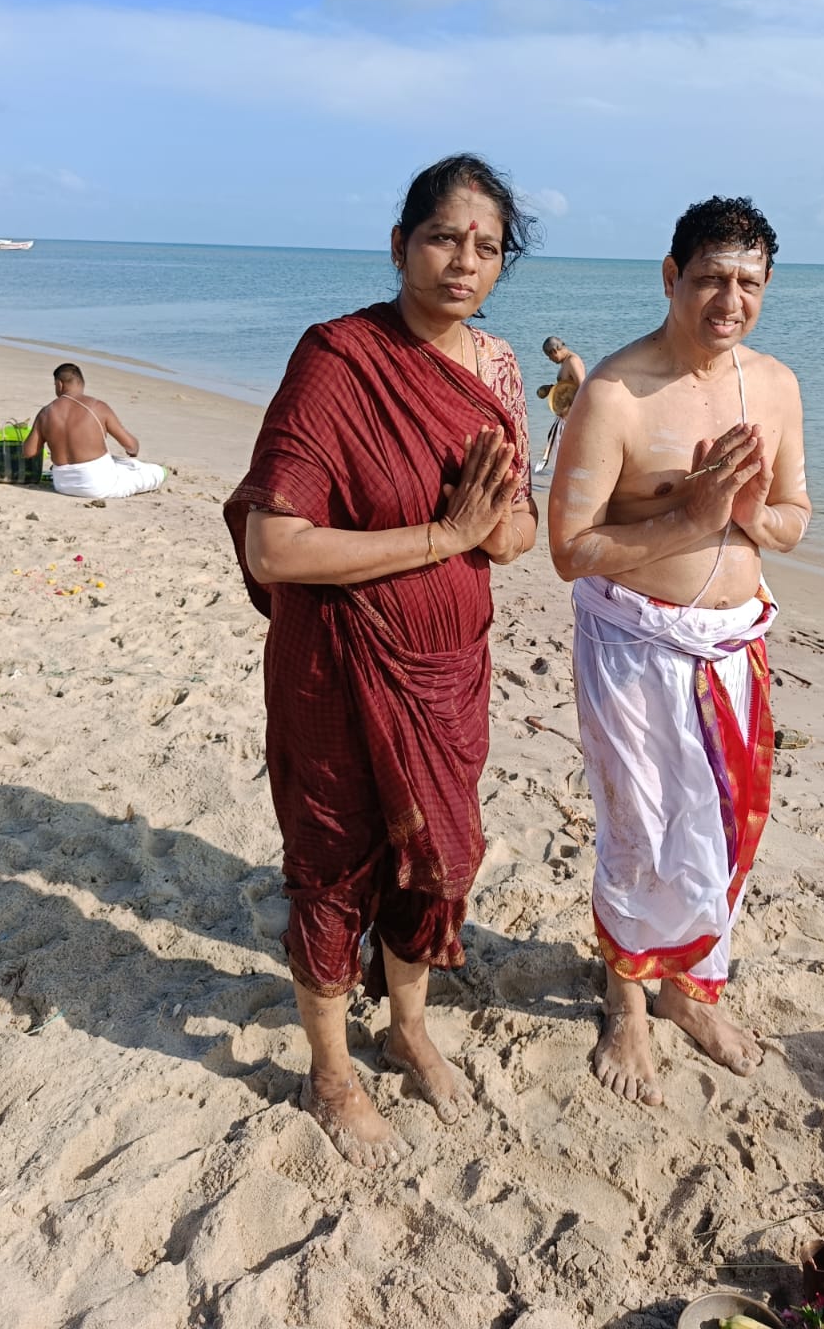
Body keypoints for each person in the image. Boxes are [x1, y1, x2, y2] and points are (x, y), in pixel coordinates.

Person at [224, 154, 539, 1167]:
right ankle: (330, 1071)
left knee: (437, 861)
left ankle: (406, 1026)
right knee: (333, 865)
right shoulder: (338, 358)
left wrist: (491, 525)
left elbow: (518, 532)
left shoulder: (495, 370)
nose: (464, 261)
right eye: (443, 237)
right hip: (337, 667)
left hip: (450, 670)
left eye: (486, 246)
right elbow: (276, 547)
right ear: (401, 244)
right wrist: (444, 535)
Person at [548, 195, 812, 1106]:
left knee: (728, 831)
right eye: (709, 278)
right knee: (642, 831)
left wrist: (748, 516)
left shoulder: (775, 386)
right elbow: (570, 549)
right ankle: (626, 1001)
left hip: (735, 648)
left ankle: (688, 992)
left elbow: (795, 519)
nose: (729, 301)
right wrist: (689, 517)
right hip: (635, 647)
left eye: (748, 283)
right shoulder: (615, 393)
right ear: (671, 277)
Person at [22, 363, 168, 499]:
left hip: (62, 485)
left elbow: (28, 452)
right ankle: (161, 472)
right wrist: (133, 451)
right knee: (153, 471)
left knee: (118, 462)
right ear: (81, 383)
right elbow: (131, 445)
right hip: (98, 485)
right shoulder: (97, 407)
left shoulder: (45, 413)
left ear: (60, 384)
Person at [533, 336, 586, 475]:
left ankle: (570, 475)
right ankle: (565, 474)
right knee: (560, 446)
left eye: (549, 356)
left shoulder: (572, 361)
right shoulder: (566, 362)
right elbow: (568, 386)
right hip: (565, 414)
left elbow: (582, 387)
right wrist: (552, 389)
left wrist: (573, 412)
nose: (549, 360)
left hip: (571, 413)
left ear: (554, 351)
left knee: (567, 447)